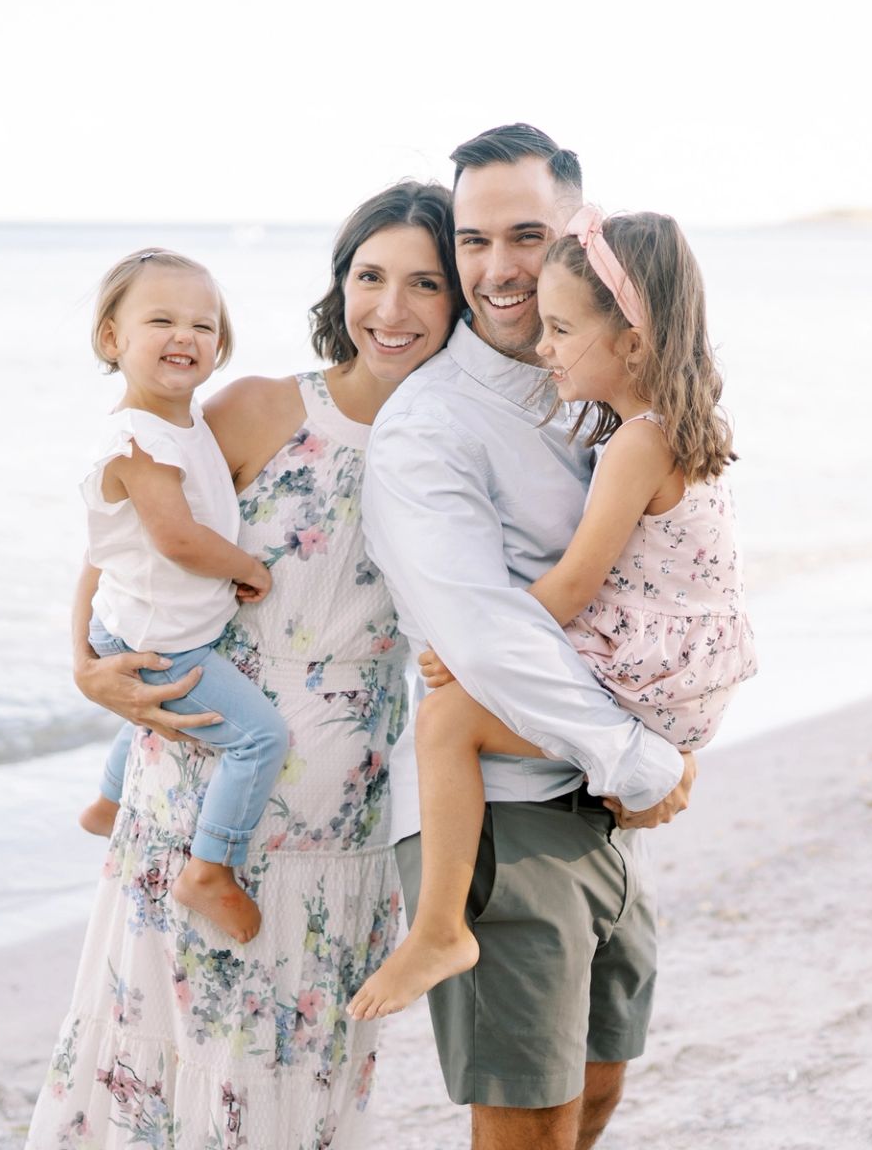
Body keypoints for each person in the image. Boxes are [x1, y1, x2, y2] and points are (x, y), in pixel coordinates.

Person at [27, 181, 463, 1150]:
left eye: (426, 284)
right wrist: (84, 666)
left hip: (343, 804)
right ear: (339, 284)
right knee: (163, 1043)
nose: (390, 308)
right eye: (370, 275)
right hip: (197, 788)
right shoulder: (261, 406)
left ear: (462, 298)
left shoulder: (457, 445)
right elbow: (125, 545)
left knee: (293, 1061)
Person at [362, 124, 698, 1150]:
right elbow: (486, 634)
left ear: (578, 240)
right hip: (501, 816)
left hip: (591, 800)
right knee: (529, 1120)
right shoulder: (433, 424)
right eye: (472, 241)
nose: (498, 270)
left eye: (526, 235)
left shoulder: (596, 391)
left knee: (596, 1091)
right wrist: (637, 756)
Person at [349, 206, 756, 1022]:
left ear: (632, 343)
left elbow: (571, 587)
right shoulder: (675, 425)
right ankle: (439, 930)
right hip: (687, 667)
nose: (544, 345)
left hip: (656, 672)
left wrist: (469, 650)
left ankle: (437, 930)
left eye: (562, 329)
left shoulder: (634, 443)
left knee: (444, 722)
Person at [75, 246, 288, 944]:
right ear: (113, 338)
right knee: (259, 737)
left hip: (149, 625)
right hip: (155, 636)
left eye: (203, 325)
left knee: (152, 716)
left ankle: (109, 804)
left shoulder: (183, 425)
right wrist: (247, 569)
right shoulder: (138, 441)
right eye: (161, 320)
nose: (184, 337)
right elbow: (177, 538)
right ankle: (210, 867)